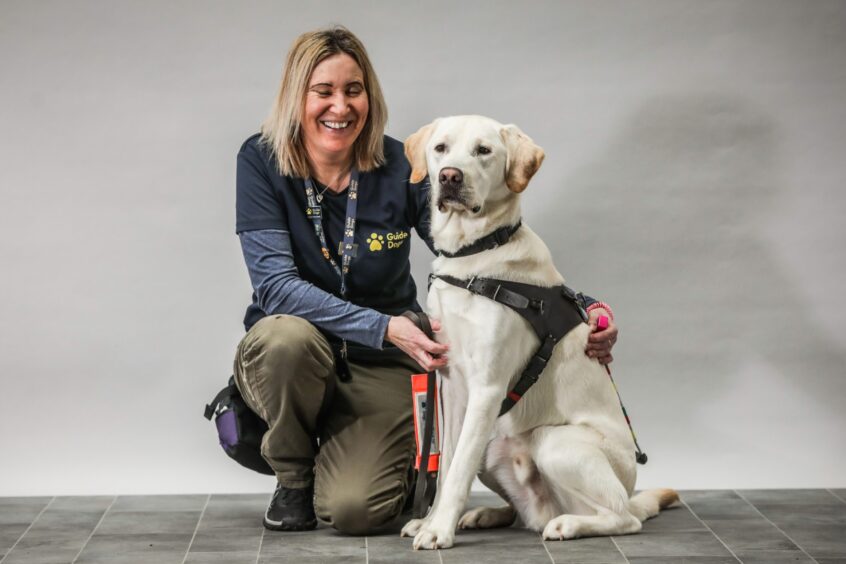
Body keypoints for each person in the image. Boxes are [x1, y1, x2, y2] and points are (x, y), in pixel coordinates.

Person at [232, 26, 619, 535]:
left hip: (379, 364)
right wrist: (387, 327)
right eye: (322, 91)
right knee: (286, 337)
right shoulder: (261, 160)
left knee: (357, 511)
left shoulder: (401, 164)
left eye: (353, 90)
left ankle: (346, 457)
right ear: (296, 96)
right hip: (296, 354)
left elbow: (476, 253)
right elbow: (276, 287)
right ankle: (293, 477)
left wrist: (576, 307)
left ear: (370, 95)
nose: (340, 106)